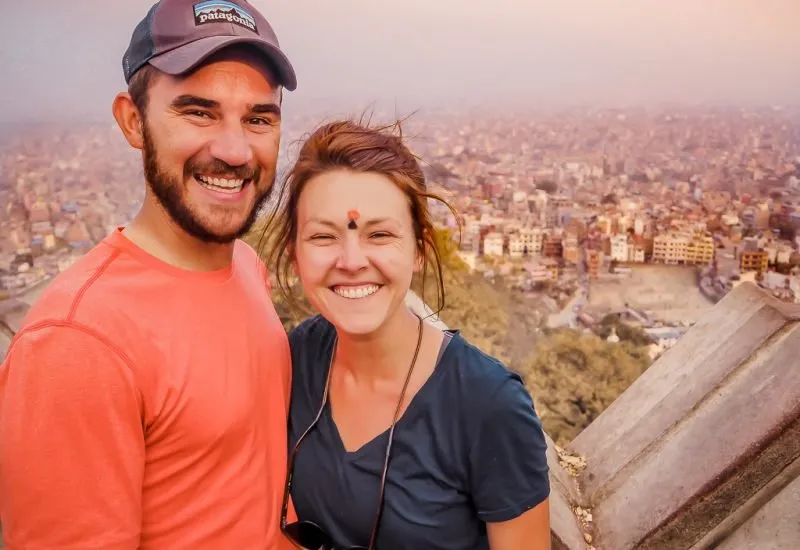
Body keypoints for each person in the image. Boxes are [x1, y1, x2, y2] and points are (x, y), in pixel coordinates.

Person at [0, 1, 299, 548]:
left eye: (258, 118)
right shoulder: (79, 341)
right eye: (199, 112)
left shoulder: (248, 270)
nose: (234, 150)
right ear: (133, 121)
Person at [264, 120, 552, 550]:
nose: (352, 260)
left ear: (419, 250)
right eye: (323, 236)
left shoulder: (487, 407)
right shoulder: (298, 358)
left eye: (379, 235)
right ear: (295, 255)